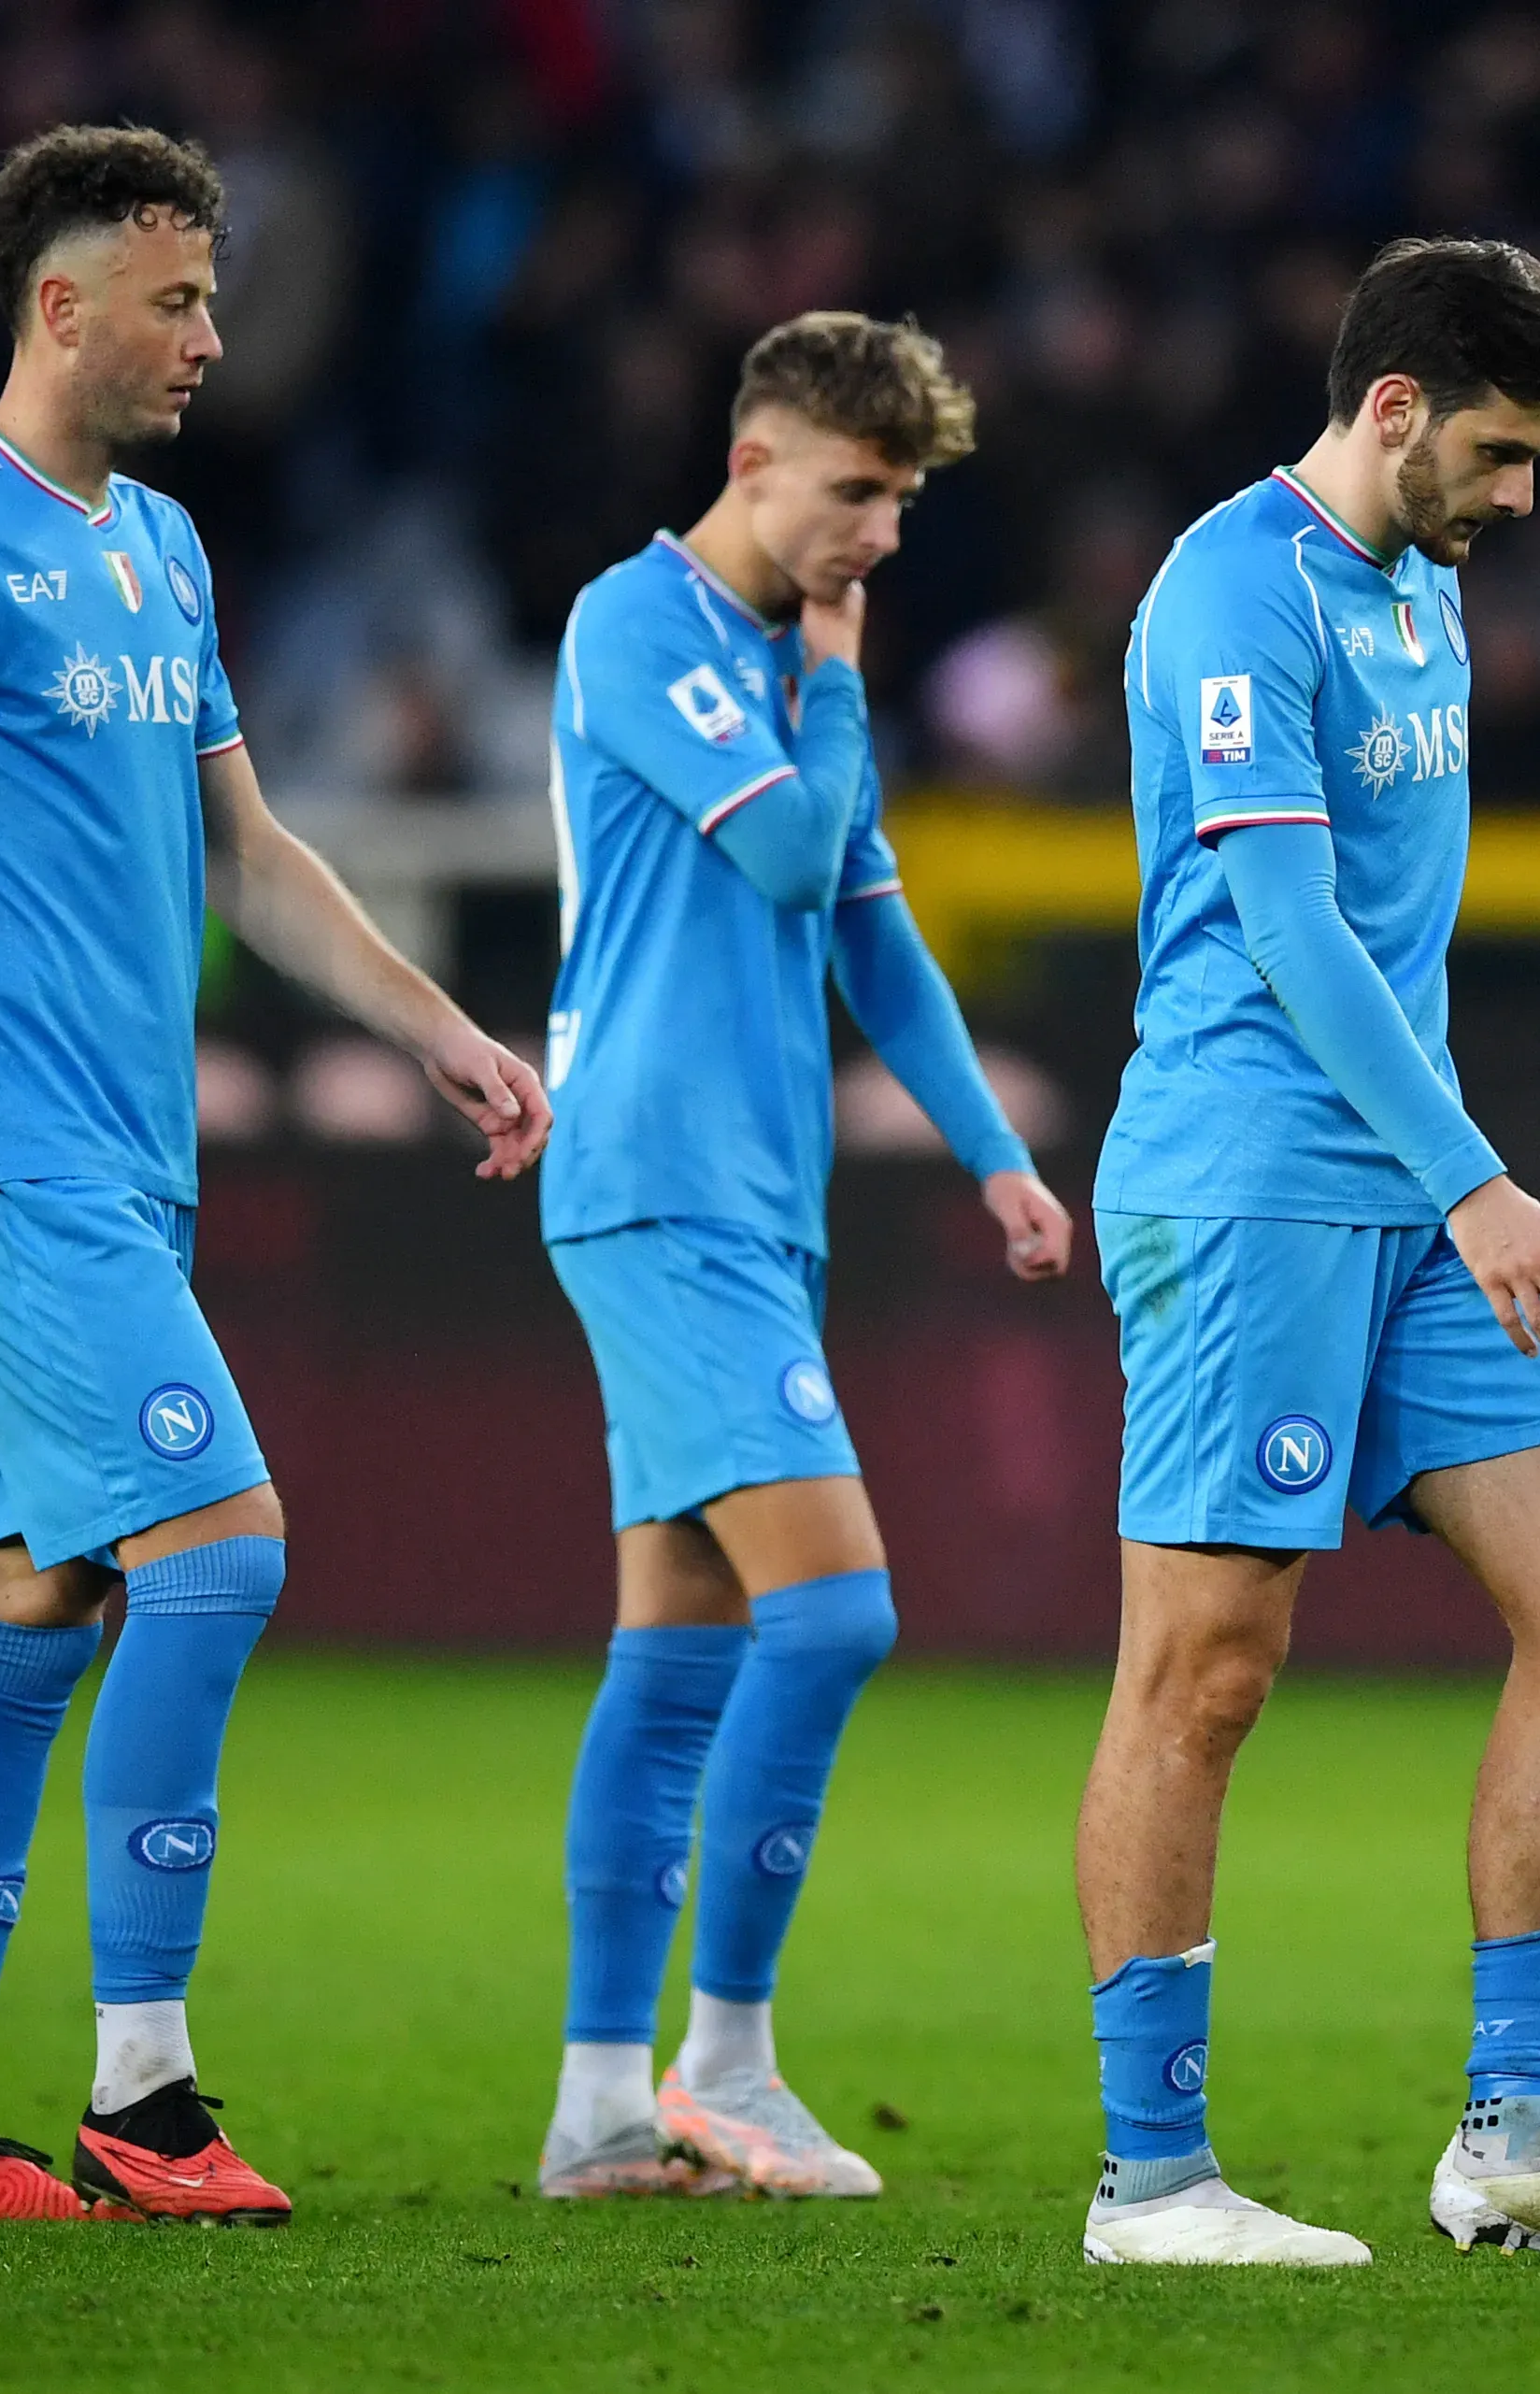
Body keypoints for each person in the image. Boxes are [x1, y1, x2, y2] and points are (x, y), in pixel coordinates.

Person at [0, 124, 549, 2226]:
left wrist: (445, 1033)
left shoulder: (162, 553)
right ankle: (144, 2093)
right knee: (221, 1551)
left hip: (122, 1164)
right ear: (61, 306)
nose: (212, 333)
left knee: (24, 1613)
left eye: (215, 294)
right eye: (177, 300)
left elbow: (253, 860)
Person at [1072, 237, 1540, 2269]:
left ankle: (1518, 2143)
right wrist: (1477, 1178)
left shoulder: (1422, 590)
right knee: (1204, 1670)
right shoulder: (1228, 590)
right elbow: (1287, 933)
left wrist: (1444, 1178)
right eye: (1503, 449)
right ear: (1391, 409)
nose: (1522, 494)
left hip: (1406, 1185)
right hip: (1248, 1184)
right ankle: (1153, 2183)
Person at [531, 313, 1072, 2202]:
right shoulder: (638, 629)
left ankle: (601, 2109)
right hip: (654, 1184)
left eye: (903, 503)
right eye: (858, 494)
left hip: (752, 1198)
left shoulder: (776, 662)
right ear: (753, 460)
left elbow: (872, 937)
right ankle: (729, 2065)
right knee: (834, 1613)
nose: (882, 538)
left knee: (675, 1649)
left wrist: (995, 1157)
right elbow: (783, 865)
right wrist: (835, 677)